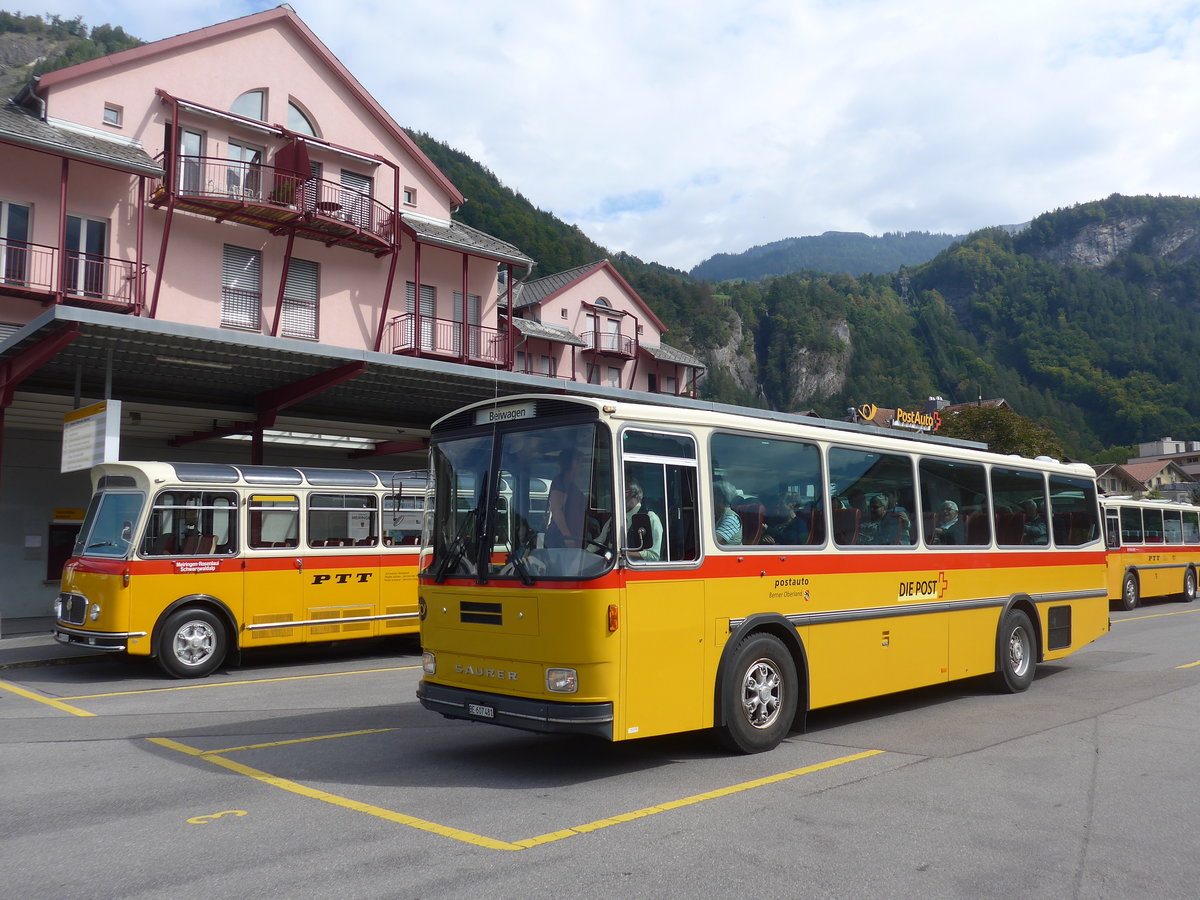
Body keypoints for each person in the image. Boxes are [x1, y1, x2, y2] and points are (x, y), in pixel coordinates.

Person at [624, 480, 663, 560]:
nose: (623, 496)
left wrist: (623, 553)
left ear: (637, 496)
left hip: (636, 568)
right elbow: (599, 541)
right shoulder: (614, 519)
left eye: (626, 492)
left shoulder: (651, 518)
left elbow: (654, 556)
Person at [713, 480, 743, 545]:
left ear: (722, 498)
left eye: (713, 494)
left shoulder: (731, 518)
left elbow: (714, 542)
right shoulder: (715, 515)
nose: (710, 497)